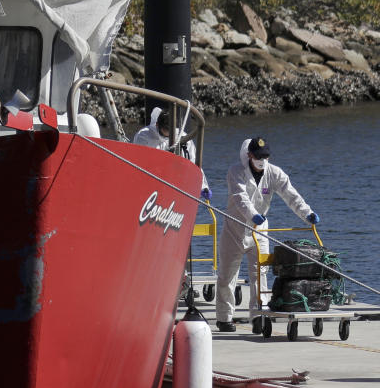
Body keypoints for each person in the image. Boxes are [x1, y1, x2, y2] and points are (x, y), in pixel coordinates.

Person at [214, 137, 320, 332]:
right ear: (249, 155)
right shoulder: (235, 172)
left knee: (260, 273)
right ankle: (224, 317)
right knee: (227, 275)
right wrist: (253, 214)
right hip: (235, 229)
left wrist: (307, 213)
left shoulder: (274, 173)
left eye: (265, 156)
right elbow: (240, 198)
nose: (262, 160)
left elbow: (291, 194)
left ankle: (258, 316)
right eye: (258, 156)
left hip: (260, 229)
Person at [133, 107, 212, 200]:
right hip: (149, 185)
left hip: (174, 186)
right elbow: (136, 162)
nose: (167, 135)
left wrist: (202, 187)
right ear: (157, 125)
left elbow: (192, 162)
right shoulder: (144, 136)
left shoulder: (182, 137)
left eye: (169, 132)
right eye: (164, 132)